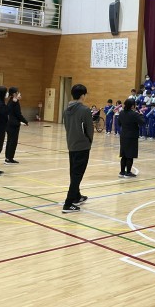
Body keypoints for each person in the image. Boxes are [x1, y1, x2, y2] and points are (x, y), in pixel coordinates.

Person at [62, 84, 93, 213]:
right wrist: (89, 140)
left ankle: (76, 196)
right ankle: (68, 203)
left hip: (72, 144)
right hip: (82, 145)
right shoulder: (85, 110)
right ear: (82, 95)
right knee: (77, 174)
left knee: (74, 172)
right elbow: (89, 129)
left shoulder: (66, 110)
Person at [117, 98, 145, 178]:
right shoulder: (134, 114)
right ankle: (128, 172)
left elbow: (119, 123)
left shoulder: (121, 113)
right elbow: (142, 122)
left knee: (124, 154)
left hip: (123, 135)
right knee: (130, 154)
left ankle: (122, 172)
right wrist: (141, 114)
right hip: (132, 136)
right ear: (132, 106)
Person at [5, 87, 28, 164]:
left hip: (9, 124)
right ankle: (10, 158)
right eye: (17, 92)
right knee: (13, 142)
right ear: (14, 94)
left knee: (9, 141)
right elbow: (18, 114)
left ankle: (7, 157)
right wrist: (25, 121)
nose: (19, 94)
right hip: (13, 125)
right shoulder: (14, 102)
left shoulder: (11, 101)